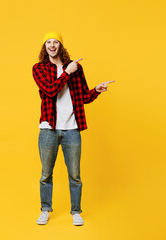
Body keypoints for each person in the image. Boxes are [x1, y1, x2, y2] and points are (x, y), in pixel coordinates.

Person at [32, 32, 114, 226]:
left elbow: (83, 97)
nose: (52, 45)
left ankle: (76, 211)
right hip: (48, 128)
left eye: (56, 42)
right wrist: (66, 72)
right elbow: (50, 91)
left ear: (61, 45)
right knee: (46, 174)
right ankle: (45, 209)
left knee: (75, 175)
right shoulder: (39, 68)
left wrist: (96, 90)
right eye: (48, 42)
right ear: (45, 47)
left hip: (72, 129)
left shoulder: (76, 68)